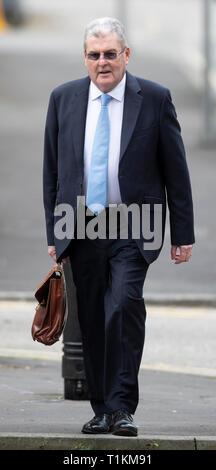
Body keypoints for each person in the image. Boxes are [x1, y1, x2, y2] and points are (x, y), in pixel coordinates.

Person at [43, 17, 195, 437]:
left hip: (134, 226)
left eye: (111, 54)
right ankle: (102, 409)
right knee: (91, 318)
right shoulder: (64, 99)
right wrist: (54, 234)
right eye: (94, 55)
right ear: (85, 59)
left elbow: (176, 171)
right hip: (80, 225)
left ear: (126, 55)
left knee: (123, 308)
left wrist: (183, 233)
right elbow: (52, 172)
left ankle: (123, 407)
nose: (103, 62)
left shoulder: (155, 99)